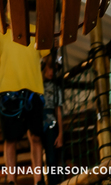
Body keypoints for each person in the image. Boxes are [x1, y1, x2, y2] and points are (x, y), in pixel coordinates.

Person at [0, 22, 48, 184]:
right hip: (8, 92)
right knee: (10, 139)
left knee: (36, 137)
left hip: (34, 90)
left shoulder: (35, 30)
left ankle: (39, 180)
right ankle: (11, 180)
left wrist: (39, 77)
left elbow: (46, 56)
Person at [41, 55, 64, 183]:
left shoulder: (55, 88)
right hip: (38, 123)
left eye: (54, 70)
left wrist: (60, 133)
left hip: (51, 124)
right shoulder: (37, 85)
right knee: (39, 158)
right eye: (50, 69)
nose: (51, 73)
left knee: (51, 159)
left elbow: (58, 111)